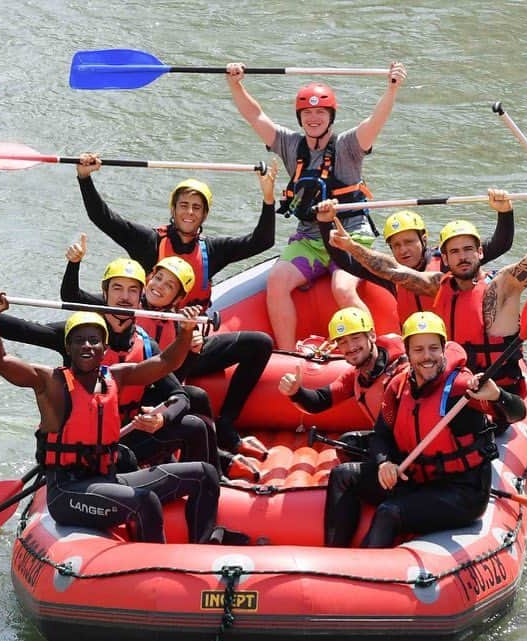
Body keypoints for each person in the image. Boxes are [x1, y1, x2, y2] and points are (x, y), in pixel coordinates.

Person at [0, 298, 220, 544]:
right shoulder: (49, 381)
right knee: (145, 501)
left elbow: (165, 363)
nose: (87, 345)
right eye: (78, 340)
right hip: (67, 492)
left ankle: (203, 546)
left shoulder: (117, 376)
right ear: (68, 347)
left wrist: (186, 332)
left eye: (94, 340)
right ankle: (154, 572)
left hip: (107, 478)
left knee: (205, 473)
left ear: (105, 348)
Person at [0, 257, 221, 475]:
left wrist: (160, 418)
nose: (124, 297)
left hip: (127, 432)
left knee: (197, 424)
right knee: (128, 459)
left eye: (132, 290)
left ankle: (211, 485)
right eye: (117, 289)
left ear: (141, 294)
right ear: (105, 293)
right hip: (85, 441)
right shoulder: (80, 336)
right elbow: (26, 331)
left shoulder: (145, 343)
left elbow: (179, 394)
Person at [327, 195, 527, 401]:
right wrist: (351, 246)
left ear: (479, 252)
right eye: (454, 252)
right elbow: (391, 269)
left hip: (498, 392)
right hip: (452, 389)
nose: (462, 257)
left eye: (467, 250)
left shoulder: (503, 287)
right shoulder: (439, 286)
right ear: (446, 258)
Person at [226, 60, 408, 349]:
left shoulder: (348, 146)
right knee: (277, 283)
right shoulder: (290, 144)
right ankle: (287, 352)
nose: (313, 118)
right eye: (307, 113)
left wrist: (392, 88)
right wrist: (236, 84)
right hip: (309, 239)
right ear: (300, 117)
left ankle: (373, 352)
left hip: (348, 237)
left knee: (342, 289)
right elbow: (255, 115)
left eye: (320, 112)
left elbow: (375, 121)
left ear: (331, 116)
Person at [323, 312, 526, 548]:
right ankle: (334, 553)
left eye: (433, 348)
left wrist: (497, 395)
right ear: (407, 353)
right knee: (342, 475)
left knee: (389, 512)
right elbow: (381, 434)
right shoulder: (398, 387)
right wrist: (384, 464)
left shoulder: (461, 389)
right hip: (417, 479)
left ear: (443, 349)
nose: (427, 357)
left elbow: (517, 413)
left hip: (461, 493)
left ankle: (361, 573)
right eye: (418, 350)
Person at [62, 241, 273, 458]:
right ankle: (219, 456)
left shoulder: (177, 321)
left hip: (161, 376)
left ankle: (225, 429)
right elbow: (71, 297)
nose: (159, 286)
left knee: (259, 343)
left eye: (170, 286)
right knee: (196, 396)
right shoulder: (124, 304)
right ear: (148, 280)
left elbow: (175, 377)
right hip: (135, 388)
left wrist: (191, 350)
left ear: (179, 298)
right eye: (158, 278)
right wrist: (74, 263)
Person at [75, 157, 279, 309]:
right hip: (149, 331)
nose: (189, 213)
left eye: (196, 208)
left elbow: (263, 241)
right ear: (173, 209)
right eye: (184, 205)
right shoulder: (150, 241)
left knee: (258, 343)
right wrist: (84, 178)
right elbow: (103, 218)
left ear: (205, 214)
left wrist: (268, 197)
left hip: (189, 338)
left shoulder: (213, 250)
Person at [315, 191, 515, 319]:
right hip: (417, 349)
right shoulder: (389, 274)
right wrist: (325, 223)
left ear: (424, 240)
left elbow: (500, 244)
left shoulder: (449, 262)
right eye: (397, 245)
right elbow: (346, 262)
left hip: (451, 344)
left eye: (409, 242)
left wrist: (504, 212)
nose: (403, 250)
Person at [278, 307, 408, 456]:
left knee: (343, 474)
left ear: (371, 335)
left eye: (355, 337)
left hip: (414, 442)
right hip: (388, 442)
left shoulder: (402, 360)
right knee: (347, 444)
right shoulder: (356, 375)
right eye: (343, 341)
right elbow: (319, 401)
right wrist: (296, 392)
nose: (351, 347)